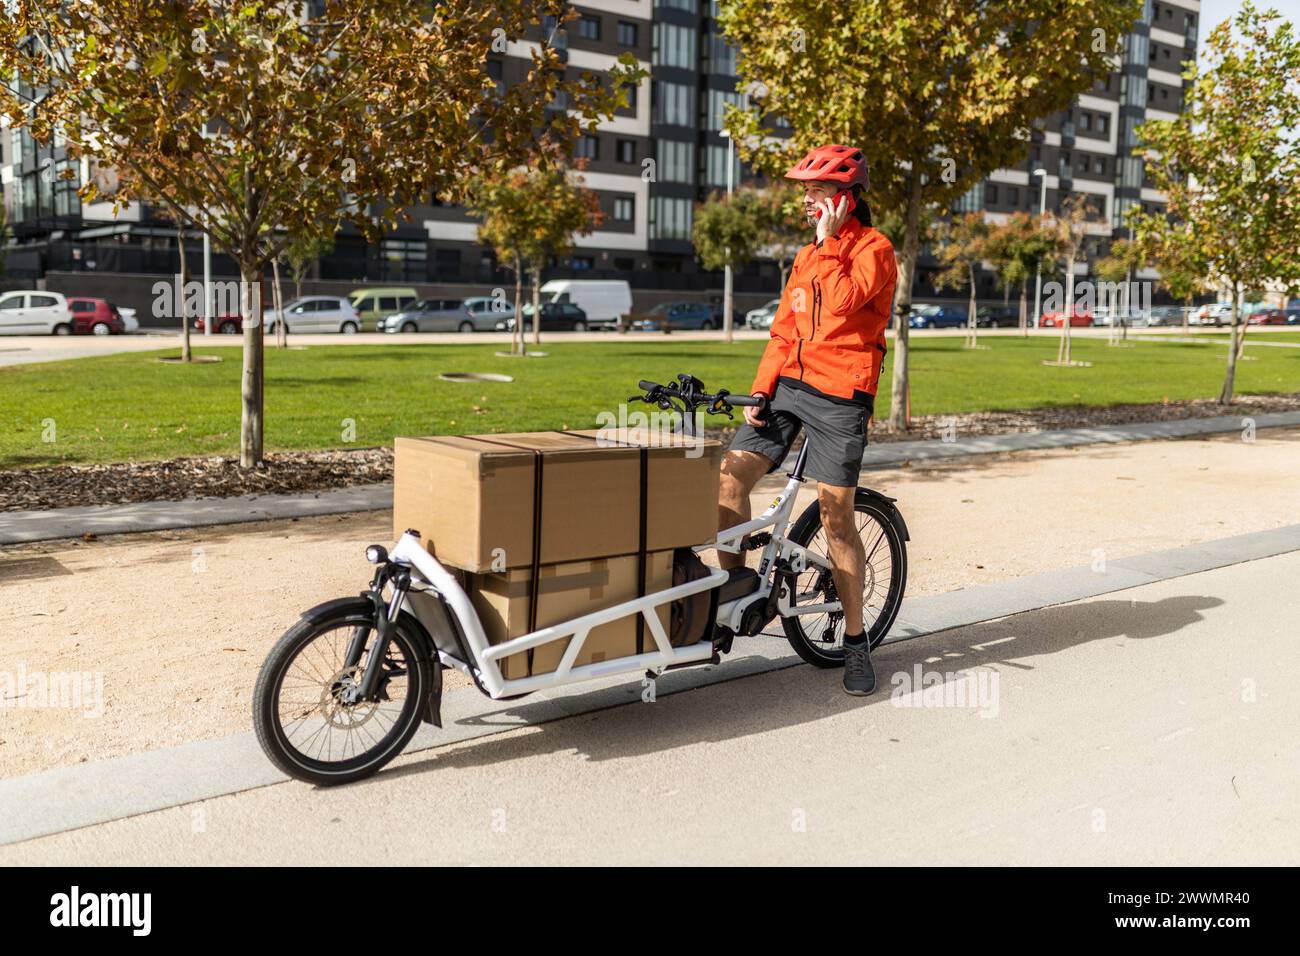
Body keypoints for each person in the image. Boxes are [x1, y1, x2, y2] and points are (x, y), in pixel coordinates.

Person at [718, 144, 897, 696]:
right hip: (790, 385)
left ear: (844, 198)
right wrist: (760, 387)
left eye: (814, 191)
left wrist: (829, 243)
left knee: (835, 513)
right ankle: (733, 591)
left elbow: (843, 303)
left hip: (842, 394)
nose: (804, 199)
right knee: (728, 476)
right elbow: (784, 329)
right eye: (804, 191)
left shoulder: (875, 250)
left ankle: (856, 639)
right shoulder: (804, 255)